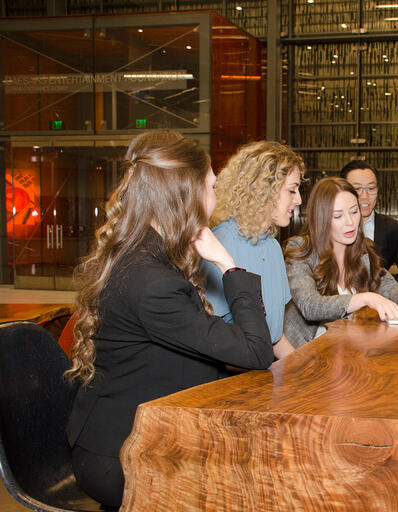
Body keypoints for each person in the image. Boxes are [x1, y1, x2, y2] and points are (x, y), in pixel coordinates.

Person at [65, 130, 274, 510]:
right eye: (211, 186)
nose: (216, 199)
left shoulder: (142, 256)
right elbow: (257, 351)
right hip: (122, 455)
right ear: (187, 193)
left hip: (133, 435)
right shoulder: (154, 283)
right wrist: (228, 264)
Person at [284, 177, 398, 347]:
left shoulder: (363, 249)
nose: (350, 222)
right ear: (321, 219)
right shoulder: (301, 249)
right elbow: (310, 305)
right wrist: (363, 299)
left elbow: (389, 288)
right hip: (306, 351)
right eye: (338, 216)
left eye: (354, 212)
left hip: (347, 347)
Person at [202, 141, 304, 359]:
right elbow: (213, 341)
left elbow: (273, 336)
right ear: (264, 189)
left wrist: (303, 366)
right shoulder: (220, 244)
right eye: (291, 190)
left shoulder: (273, 246)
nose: (298, 199)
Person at [340, 160, 398, 285]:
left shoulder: (394, 230)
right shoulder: (327, 227)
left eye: (371, 188)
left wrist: (378, 283)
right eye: (357, 188)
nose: (365, 196)